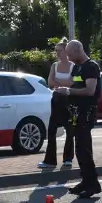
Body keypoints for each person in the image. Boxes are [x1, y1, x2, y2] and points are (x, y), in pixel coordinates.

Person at [54, 40, 102, 198]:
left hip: (86, 112)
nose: (68, 57)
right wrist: (63, 90)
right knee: (80, 149)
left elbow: (89, 90)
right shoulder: (77, 68)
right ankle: (86, 181)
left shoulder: (91, 67)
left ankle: (92, 184)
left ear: (77, 51)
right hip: (76, 112)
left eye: (70, 54)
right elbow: (75, 85)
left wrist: (68, 91)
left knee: (84, 149)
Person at [38, 39, 75, 170]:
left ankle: (68, 159)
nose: (57, 53)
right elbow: (50, 82)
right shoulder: (54, 65)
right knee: (52, 130)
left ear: (66, 51)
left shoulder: (73, 66)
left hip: (69, 100)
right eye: (56, 51)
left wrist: (58, 81)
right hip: (56, 99)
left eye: (59, 50)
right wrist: (62, 82)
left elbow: (74, 83)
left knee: (70, 130)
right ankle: (50, 160)